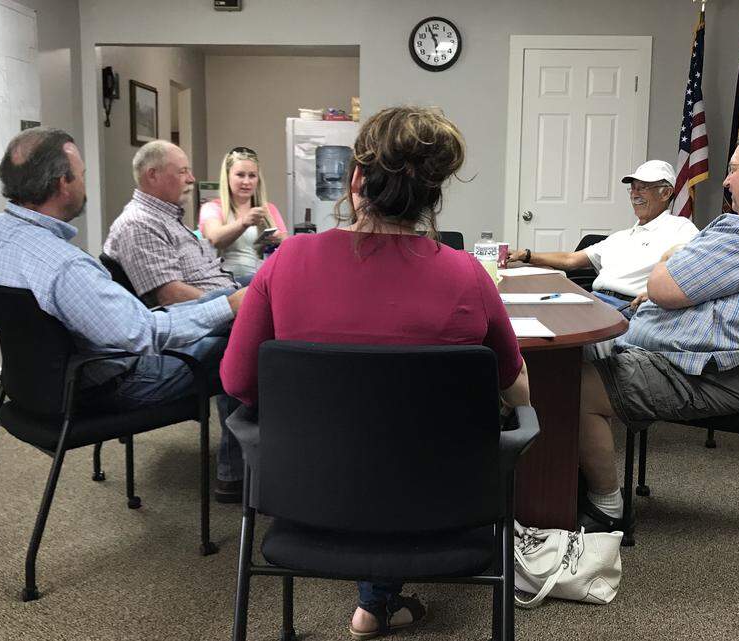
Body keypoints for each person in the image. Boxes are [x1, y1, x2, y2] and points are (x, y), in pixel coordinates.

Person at [221, 106, 530, 639]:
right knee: (408, 440)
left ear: (356, 178)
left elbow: (238, 384)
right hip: (440, 503)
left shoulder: (286, 261)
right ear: (433, 194)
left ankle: (376, 600)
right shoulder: (468, 275)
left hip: (308, 495)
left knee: (362, 437)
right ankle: (377, 601)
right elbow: (517, 390)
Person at [577, 132, 739, 533]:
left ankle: (605, 507)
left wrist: (669, 258)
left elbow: (662, 288)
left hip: (708, 375)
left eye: (733, 169)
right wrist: (673, 270)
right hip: (700, 362)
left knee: (574, 386)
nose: (726, 180)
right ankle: (566, 481)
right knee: (572, 357)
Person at [0, 127, 244, 413]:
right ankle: (240, 451)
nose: (84, 184)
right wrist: (230, 306)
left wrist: (41, 338)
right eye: (82, 175)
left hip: (32, 385)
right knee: (246, 342)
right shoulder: (67, 267)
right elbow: (146, 334)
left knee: (235, 311)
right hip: (112, 385)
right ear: (63, 184)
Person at [102, 139, 247, 503]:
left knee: (275, 283)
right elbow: (170, 297)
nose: (192, 178)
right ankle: (235, 471)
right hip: (180, 331)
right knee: (251, 340)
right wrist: (232, 305)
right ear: (153, 175)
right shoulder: (139, 224)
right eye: (183, 171)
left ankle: (260, 451)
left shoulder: (168, 218)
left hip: (215, 300)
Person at [509, 160, 698, 313]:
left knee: (558, 330)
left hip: (629, 308)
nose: (635, 194)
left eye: (642, 188)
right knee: (528, 311)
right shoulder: (621, 237)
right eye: (633, 188)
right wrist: (525, 255)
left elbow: (696, 268)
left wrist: (656, 295)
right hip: (593, 300)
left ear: (665, 193)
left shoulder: (679, 228)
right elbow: (570, 259)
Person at [198, 147, 287, 285]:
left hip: (262, 281)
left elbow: (288, 246)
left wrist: (279, 239)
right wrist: (243, 222)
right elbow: (214, 239)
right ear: (227, 176)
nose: (246, 182)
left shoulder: (269, 210)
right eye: (240, 175)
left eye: (252, 176)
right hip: (224, 282)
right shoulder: (211, 208)